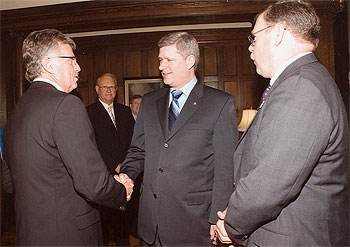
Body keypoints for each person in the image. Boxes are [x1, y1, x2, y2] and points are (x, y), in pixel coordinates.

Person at [214, 1, 349, 246]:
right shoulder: (304, 79)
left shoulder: (300, 87)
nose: (250, 49)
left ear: (276, 34)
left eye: (253, 37)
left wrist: (232, 224)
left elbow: (269, 183)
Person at [2, 29, 133, 246]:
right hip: (68, 235)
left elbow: (8, 182)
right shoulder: (66, 105)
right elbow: (92, 184)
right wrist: (122, 191)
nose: (78, 67)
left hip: (29, 234)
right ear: (49, 65)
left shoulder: (17, 111)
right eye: (71, 60)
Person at [119, 31, 239, 246]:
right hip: (151, 223)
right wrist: (127, 175)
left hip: (194, 223)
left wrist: (217, 218)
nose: (161, 66)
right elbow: (138, 150)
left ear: (189, 60)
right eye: (160, 60)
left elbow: (225, 167)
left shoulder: (219, 103)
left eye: (169, 60)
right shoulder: (149, 101)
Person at [86, 73, 135, 246]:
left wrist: (127, 167)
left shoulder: (125, 111)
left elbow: (133, 142)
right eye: (105, 87)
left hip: (126, 176)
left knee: (123, 225)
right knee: (103, 228)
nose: (109, 90)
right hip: (104, 176)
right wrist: (114, 165)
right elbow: (91, 146)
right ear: (97, 89)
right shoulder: (88, 113)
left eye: (112, 87)